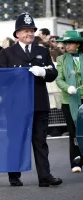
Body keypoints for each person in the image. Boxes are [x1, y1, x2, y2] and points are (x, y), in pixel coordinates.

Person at [0, 13, 63, 187]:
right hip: (16, 106)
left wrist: (44, 72)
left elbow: (53, 74)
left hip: (39, 104)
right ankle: (14, 175)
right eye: (26, 31)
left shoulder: (42, 51)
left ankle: (45, 176)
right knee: (16, 141)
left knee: (40, 142)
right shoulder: (7, 53)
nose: (29, 34)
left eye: (32, 30)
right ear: (17, 34)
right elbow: (1, 79)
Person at [55, 30, 83, 172]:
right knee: (74, 132)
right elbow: (59, 79)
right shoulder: (61, 59)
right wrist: (68, 87)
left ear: (77, 44)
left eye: (69, 42)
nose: (66, 46)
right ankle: (76, 161)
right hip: (69, 100)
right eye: (65, 43)